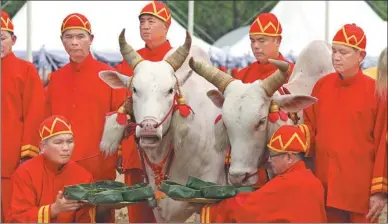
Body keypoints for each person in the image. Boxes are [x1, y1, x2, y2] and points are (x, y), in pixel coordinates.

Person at [44, 13, 127, 222]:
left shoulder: (108, 76)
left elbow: (122, 120)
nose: (74, 42)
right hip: (61, 165)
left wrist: (120, 154)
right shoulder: (55, 79)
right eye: (68, 37)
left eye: (80, 36)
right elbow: (46, 121)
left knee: (99, 218)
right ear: (62, 40)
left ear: (91, 39)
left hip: (98, 166)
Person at [301, 23, 387, 223]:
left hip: (360, 191)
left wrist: (379, 192)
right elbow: (309, 128)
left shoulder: (377, 92)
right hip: (325, 185)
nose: (336, 57)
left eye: (343, 52)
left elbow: (383, 143)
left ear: (361, 56)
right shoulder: (321, 86)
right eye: (334, 51)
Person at [114, 1, 174, 222]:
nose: (145, 26)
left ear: (166, 27)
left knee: (168, 210)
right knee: (138, 211)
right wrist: (120, 148)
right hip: (135, 146)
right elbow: (121, 106)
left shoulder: (178, 58)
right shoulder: (130, 59)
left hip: (171, 151)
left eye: (151, 21)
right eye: (142, 22)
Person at [199, 125, 327, 223]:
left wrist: (212, 211)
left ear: (289, 157)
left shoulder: (287, 184)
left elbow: (247, 208)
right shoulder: (314, 182)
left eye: (273, 156)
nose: (270, 161)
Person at [233, 12, 296, 188]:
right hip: (245, 162)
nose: (255, 46)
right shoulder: (242, 75)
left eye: (262, 40)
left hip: (281, 160)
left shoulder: (293, 74)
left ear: (278, 41)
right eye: (252, 41)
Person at [7, 115, 96, 223]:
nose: (66, 148)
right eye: (58, 142)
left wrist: (105, 206)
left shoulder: (83, 176)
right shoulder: (25, 173)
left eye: (70, 141)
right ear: (43, 146)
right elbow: (16, 218)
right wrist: (53, 210)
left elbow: (85, 219)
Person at [1, 11, 45, 222]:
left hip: (11, 160)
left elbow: (35, 113)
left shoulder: (26, 70)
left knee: (13, 216)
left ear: (13, 40)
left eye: (2, 37)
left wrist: (27, 153)